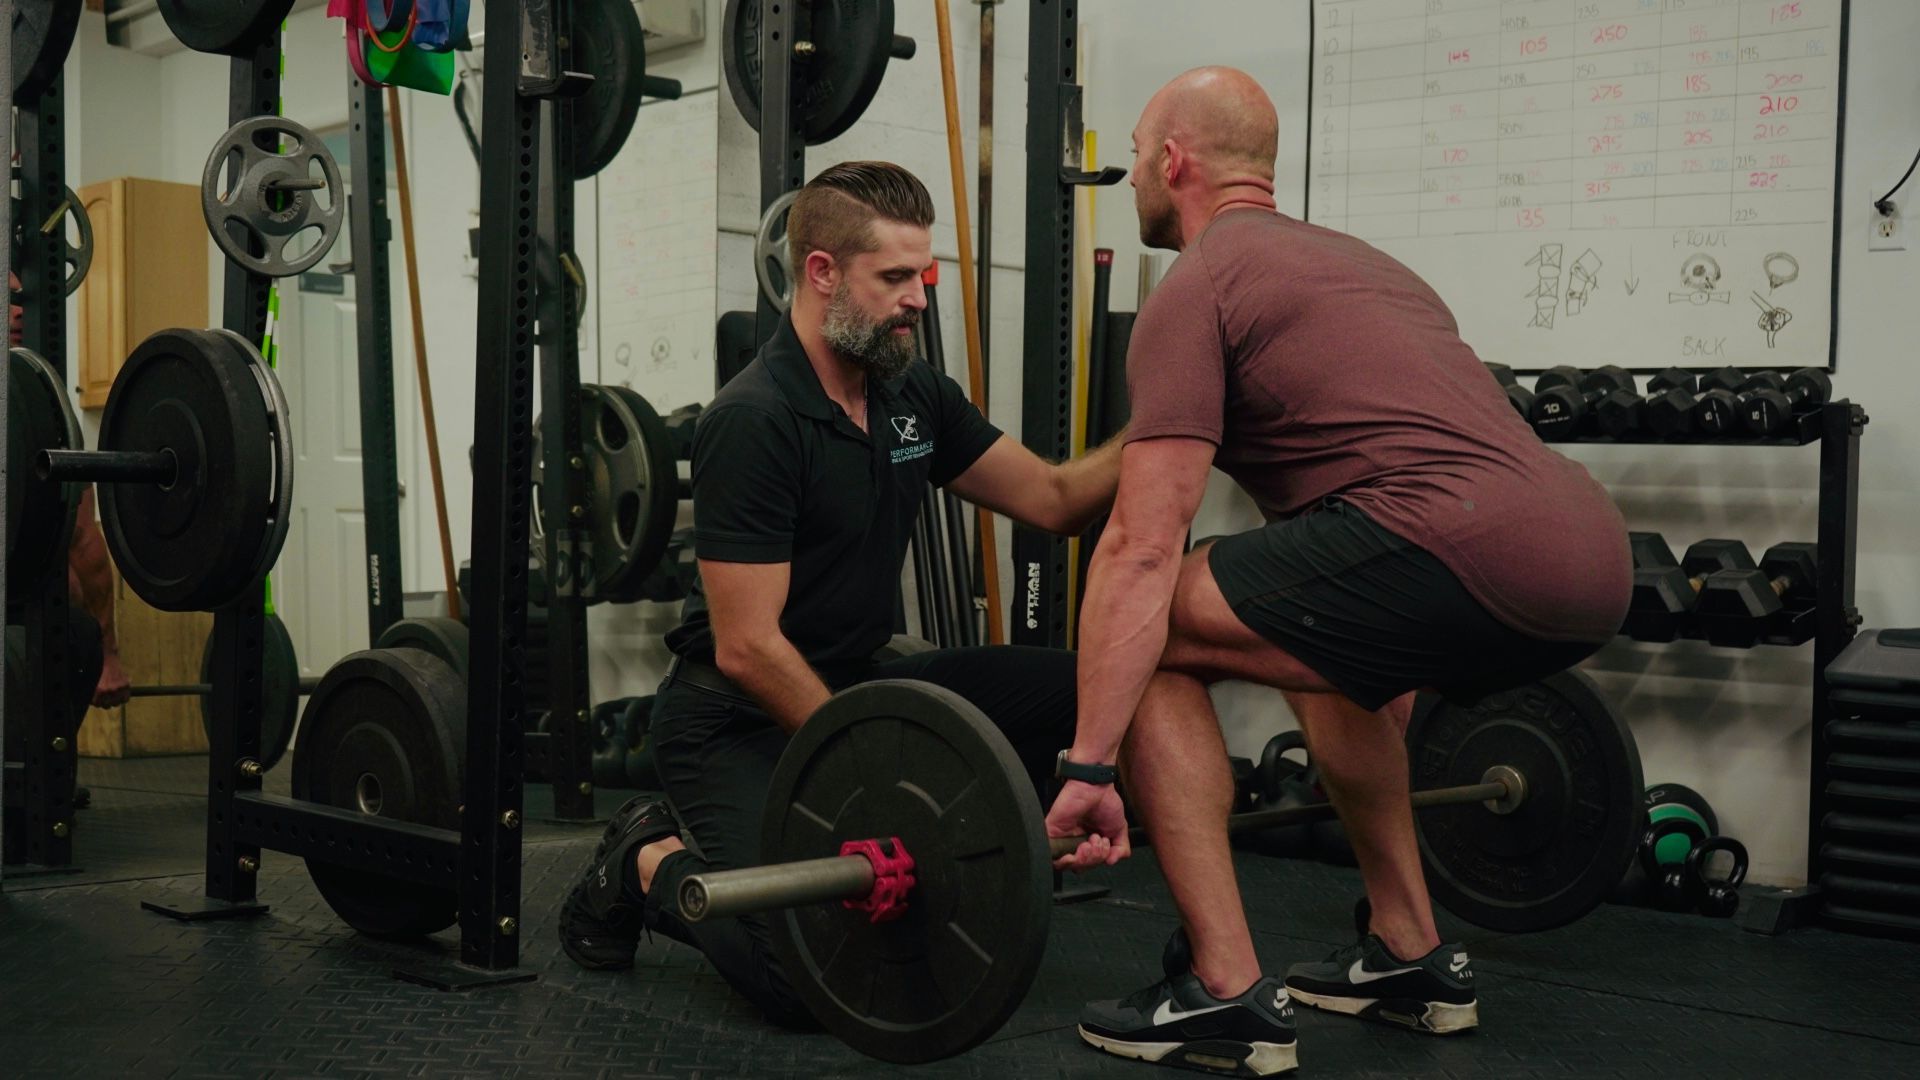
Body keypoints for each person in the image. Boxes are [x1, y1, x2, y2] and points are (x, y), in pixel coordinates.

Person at [1045, 68, 1632, 1075]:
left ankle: (1223, 991)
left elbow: (1140, 547)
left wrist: (1090, 768)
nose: (1133, 175)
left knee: (1148, 626)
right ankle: (1409, 953)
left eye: (1137, 154)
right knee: (1300, 638)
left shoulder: (1198, 285)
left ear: (1173, 162)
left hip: (1459, 544)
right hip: (1591, 553)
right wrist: (1372, 693)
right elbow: (1327, 549)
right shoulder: (1372, 270)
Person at [557, 161, 1124, 1026]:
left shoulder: (911, 394)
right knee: (808, 983)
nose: (917, 299)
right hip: (736, 720)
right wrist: (877, 772)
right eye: (894, 278)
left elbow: (1053, 498)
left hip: (862, 685)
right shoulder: (754, 419)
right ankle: (645, 860)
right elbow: (748, 648)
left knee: (1098, 687)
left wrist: (1175, 427)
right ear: (821, 272)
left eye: (922, 276)